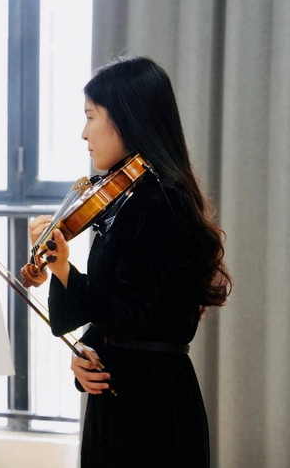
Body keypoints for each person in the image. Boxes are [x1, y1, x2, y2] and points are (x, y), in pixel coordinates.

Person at [28, 56, 232, 466]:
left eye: (90, 116)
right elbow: (113, 307)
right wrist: (85, 349)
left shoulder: (163, 202)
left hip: (151, 409)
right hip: (120, 396)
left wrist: (64, 267)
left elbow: (133, 317)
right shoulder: (127, 200)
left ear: (126, 118)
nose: (83, 132)